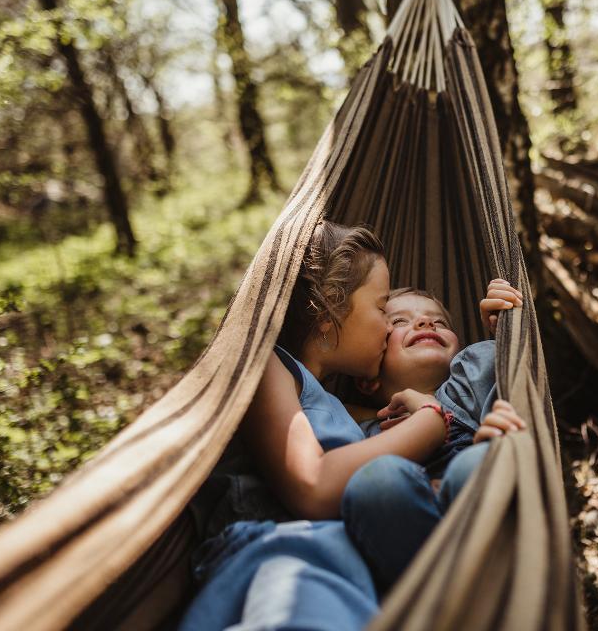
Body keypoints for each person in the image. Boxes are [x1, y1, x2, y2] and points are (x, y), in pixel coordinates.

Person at [180, 222, 523, 630]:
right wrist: (433, 418)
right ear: (328, 311)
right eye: (384, 311)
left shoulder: (345, 409)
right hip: (288, 560)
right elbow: (315, 484)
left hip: (355, 568)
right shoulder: (268, 366)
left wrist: (508, 341)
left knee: (477, 468)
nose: (389, 325)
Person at [340, 280, 526, 590]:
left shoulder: (473, 374)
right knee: (378, 481)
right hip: (405, 532)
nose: (426, 322)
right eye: (399, 321)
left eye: (439, 322)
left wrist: (506, 331)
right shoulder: (356, 430)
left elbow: (515, 378)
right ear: (367, 379)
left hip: (476, 493)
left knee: (479, 464)